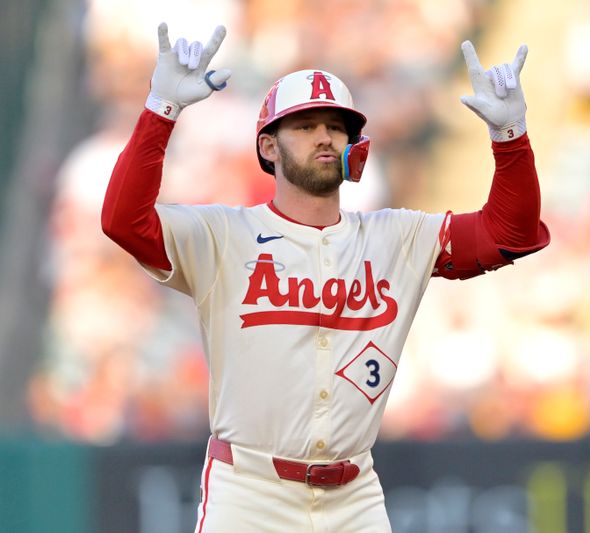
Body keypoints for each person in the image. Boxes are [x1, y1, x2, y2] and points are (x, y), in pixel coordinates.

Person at [102, 22, 550, 533]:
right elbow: (123, 221)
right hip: (249, 492)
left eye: (336, 127)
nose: (323, 136)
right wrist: (162, 108)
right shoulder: (224, 234)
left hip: (353, 498)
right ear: (268, 147)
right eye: (305, 125)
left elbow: (509, 234)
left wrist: (509, 136)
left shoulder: (397, 237)